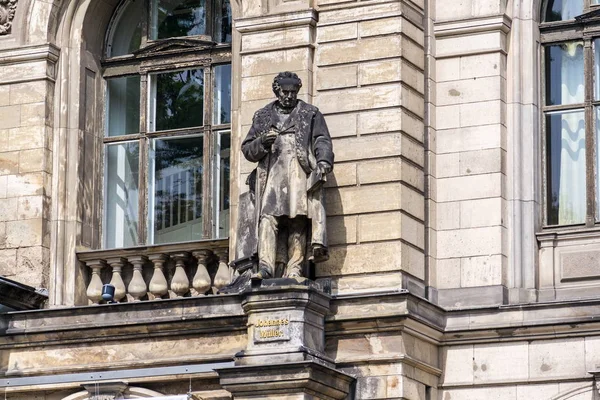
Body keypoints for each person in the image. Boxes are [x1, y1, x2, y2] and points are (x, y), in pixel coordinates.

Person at [241, 71, 334, 279]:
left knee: (298, 220)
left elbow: (322, 140)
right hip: (272, 173)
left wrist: (324, 161)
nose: (289, 96)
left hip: (299, 172)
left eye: (293, 92)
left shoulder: (310, 113)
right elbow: (247, 149)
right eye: (285, 92)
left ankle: (294, 268)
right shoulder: (262, 115)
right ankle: (266, 267)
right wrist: (262, 143)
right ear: (277, 91)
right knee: (267, 219)